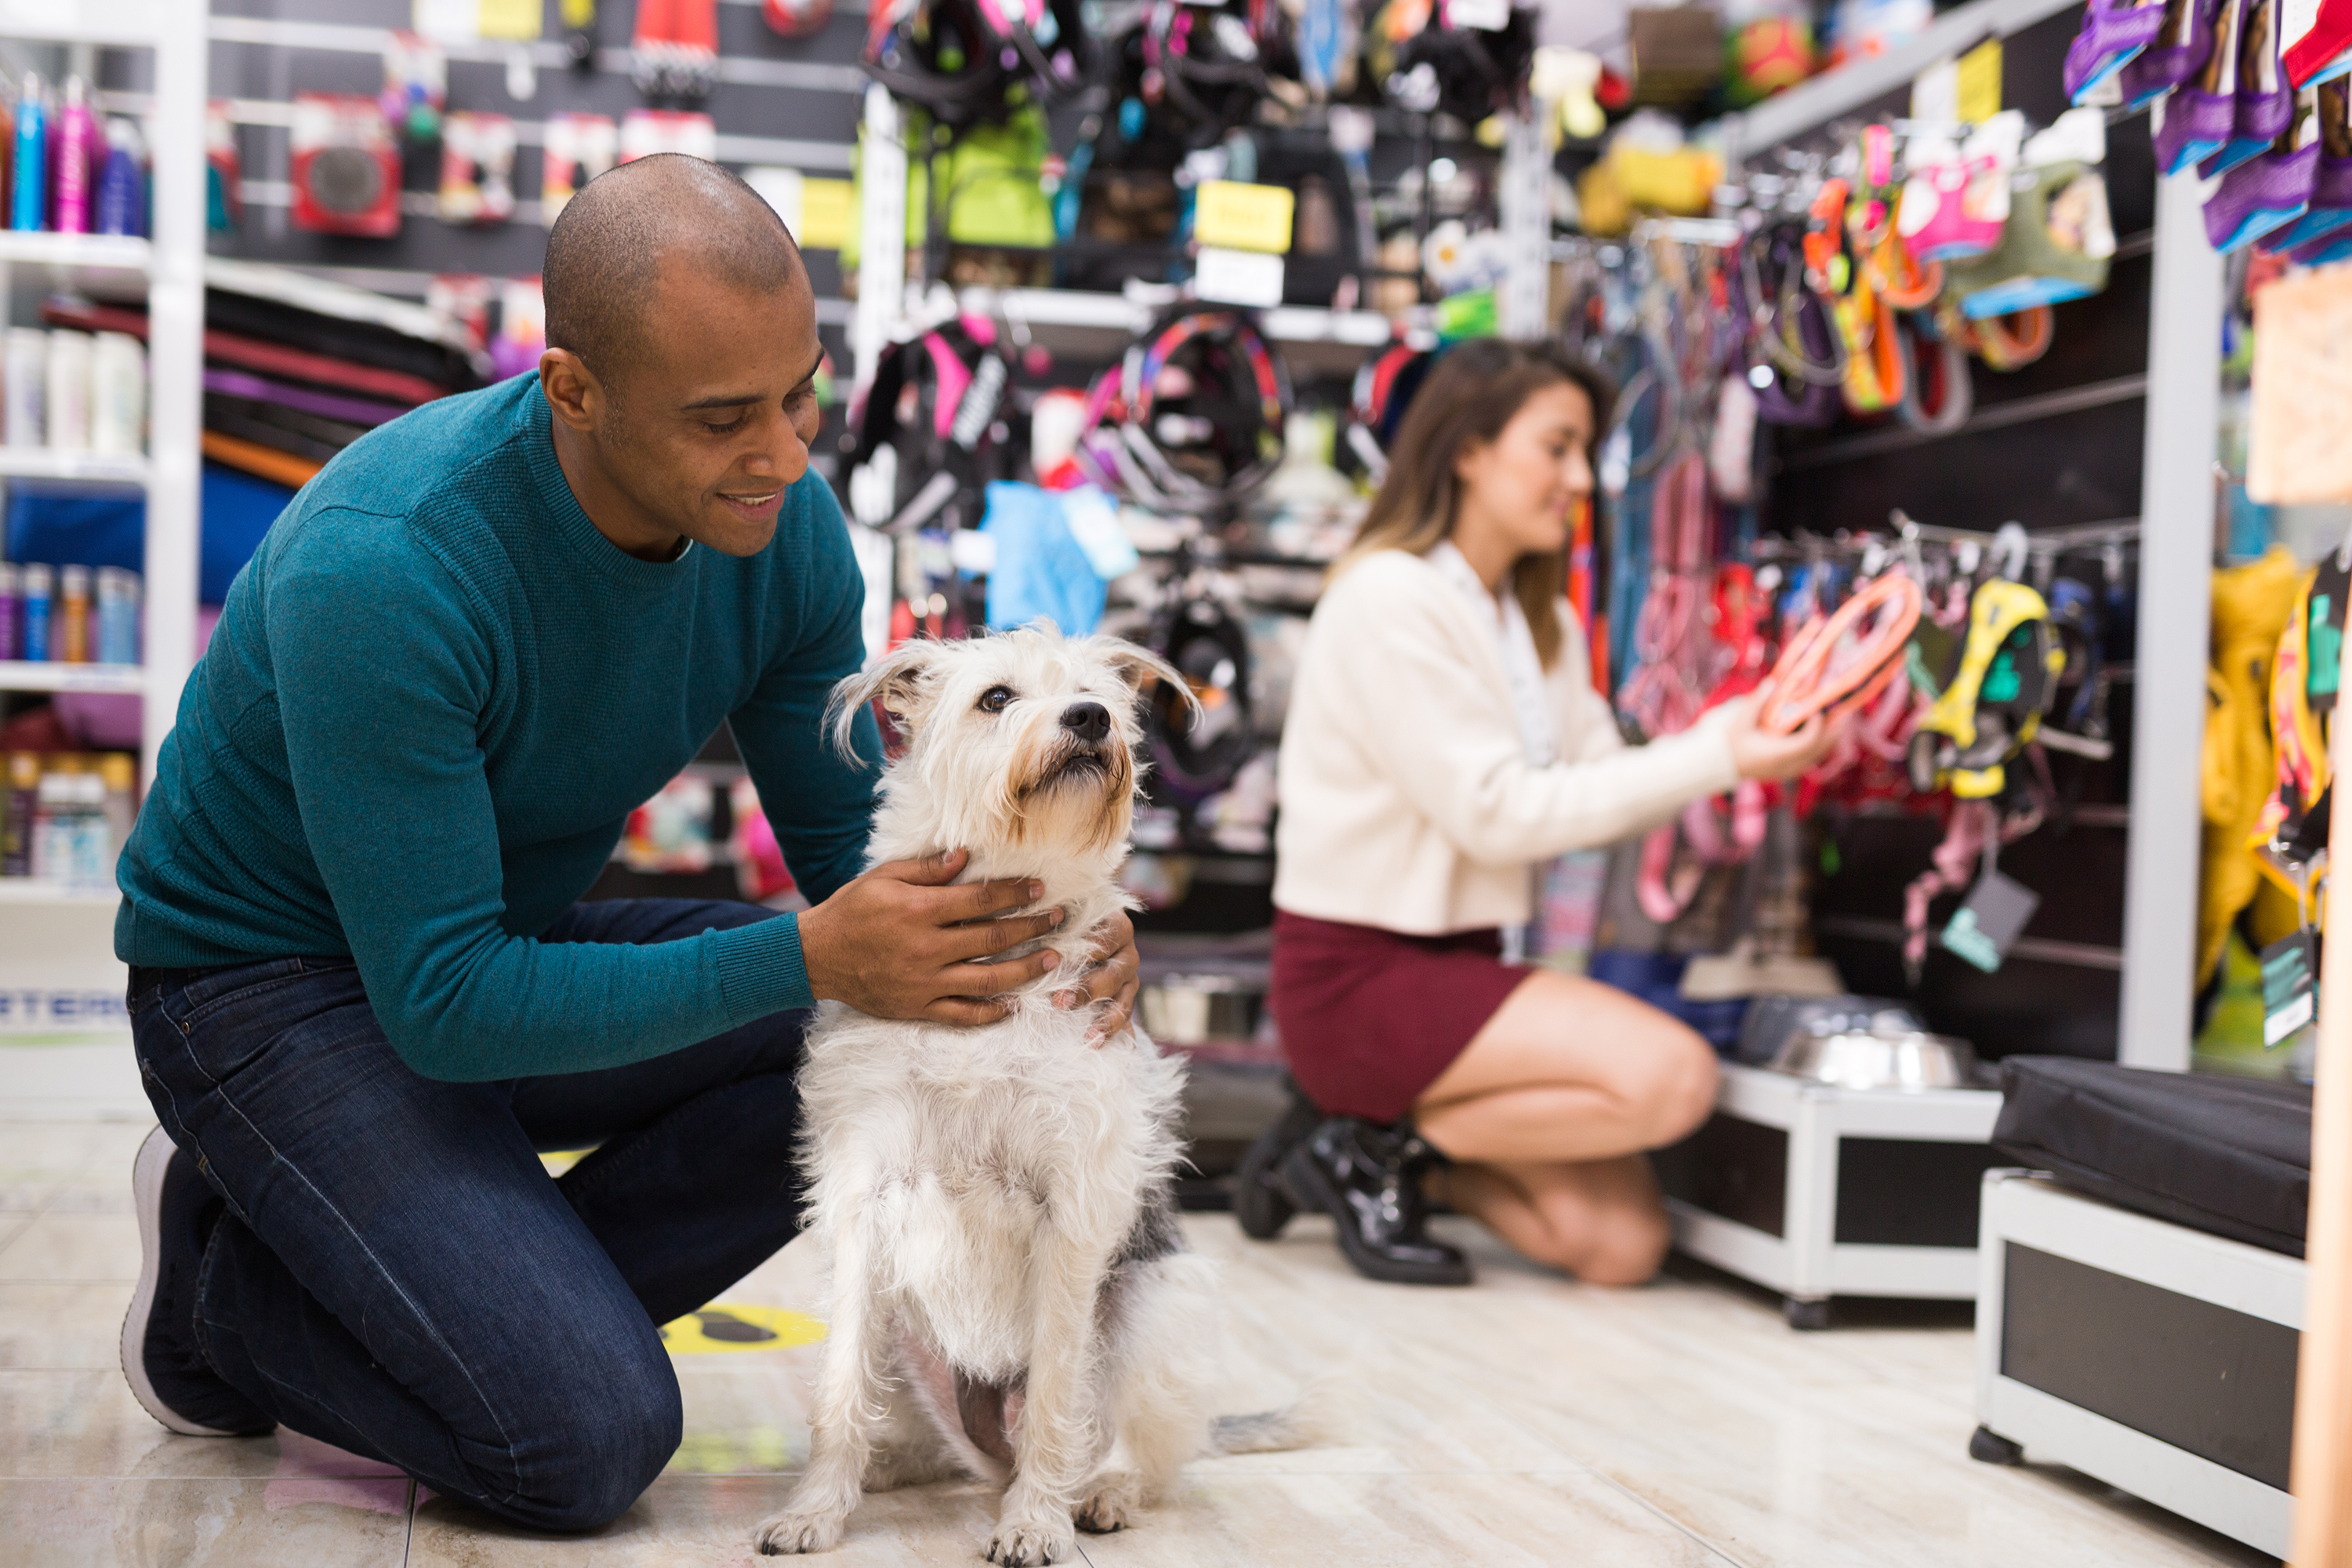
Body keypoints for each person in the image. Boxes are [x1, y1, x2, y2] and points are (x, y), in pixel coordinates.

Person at [113, 154, 1139, 1533]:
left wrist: (1047, 925)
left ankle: (405, 1274)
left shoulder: (780, 530)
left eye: (800, 394)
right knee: (580, 1440)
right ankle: (222, 1295)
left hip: (487, 953)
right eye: (723, 419)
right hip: (266, 992)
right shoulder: (391, 562)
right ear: (572, 391)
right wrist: (823, 955)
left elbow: (857, 869)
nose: (781, 454)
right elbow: (443, 1004)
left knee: (868, 1032)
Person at [1242, 338, 1834, 1288]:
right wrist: (1717, 752)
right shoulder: (1389, 598)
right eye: (1556, 446)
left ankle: (1370, 1151)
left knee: (1618, 1245)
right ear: (1467, 449)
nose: (1578, 478)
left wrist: (1749, 744)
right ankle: (1358, 1122)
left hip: (1465, 967)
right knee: (1672, 1075)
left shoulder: (1533, 618)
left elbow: (1602, 784)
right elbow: (1499, 816)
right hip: (1364, 977)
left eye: (1583, 452)